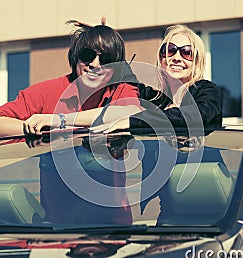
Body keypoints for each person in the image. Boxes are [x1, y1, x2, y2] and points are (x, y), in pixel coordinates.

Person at [0, 20, 141, 224]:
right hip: (58, 231)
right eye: (88, 55)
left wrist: (58, 121)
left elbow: (128, 113)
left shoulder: (120, 90)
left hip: (111, 228)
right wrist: (39, 130)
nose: (95, 64)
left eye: (106, 59)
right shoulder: (47, 92)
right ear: (75, 56)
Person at [91, 24, 223, 223]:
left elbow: (195, 116)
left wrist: (131, 121)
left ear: (197, 61)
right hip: (169, 214)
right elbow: (126, 79)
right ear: (161, 59)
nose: (176, 57)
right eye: (169, 50)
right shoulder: (157, 101)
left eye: (186, 52)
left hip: (211, 214)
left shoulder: (207, 91)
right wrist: (105, 41)